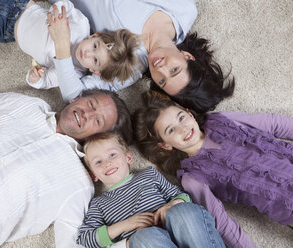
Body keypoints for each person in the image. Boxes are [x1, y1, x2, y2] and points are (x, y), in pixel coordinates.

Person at [0, 89, 132, 248]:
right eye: (91, 103)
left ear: (96, 137)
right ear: (77, 98)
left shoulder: (78, 183)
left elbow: (71, 243)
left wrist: (128, 243)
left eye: (97, 120)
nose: (87, 113)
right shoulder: (24, 106)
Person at [134, 90, 293, 247]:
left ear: (189, 114)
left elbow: (273, 123)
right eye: (171, 130)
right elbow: (223, 224)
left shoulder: (220, 119)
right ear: (165, 145)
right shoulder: (192, 178)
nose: (183, 128)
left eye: (181, 117)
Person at [48, 0, 234, 112]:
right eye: (174, 70)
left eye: (162, 81)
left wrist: (61, 45)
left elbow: (74, 96)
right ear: (187, 56)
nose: (160, 68)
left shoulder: (130, 69)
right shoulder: (184, 10)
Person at [0, 0, 140, 95]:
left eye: (95, 60)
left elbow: (44, 83)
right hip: (18, 6)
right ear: (94, 36)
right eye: (95, 46)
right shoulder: (81, 25)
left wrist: (35, 78)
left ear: (94, 70)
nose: (88, 52)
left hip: (6, 31)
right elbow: (66, 4)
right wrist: (56, 11)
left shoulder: (71, 73)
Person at [77, 132, 225, 248]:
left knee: (184, 211)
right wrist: (124, 225)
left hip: (179, 229)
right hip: (149, 242)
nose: (107, 163)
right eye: (98, 162)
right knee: (145, 237)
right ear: (93, 175)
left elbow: (181, 195)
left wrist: (172, 204)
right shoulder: (98, 204)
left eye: (112, 155)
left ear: (128, 157)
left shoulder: (149, 174)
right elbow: (85, 239)